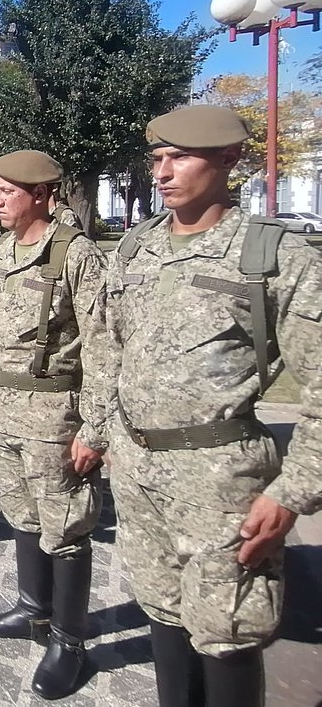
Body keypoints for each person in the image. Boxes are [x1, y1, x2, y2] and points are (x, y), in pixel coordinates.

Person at [103, 105, 322, 707]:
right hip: (140, 471)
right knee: (163, 612)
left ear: (229, 160)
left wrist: (291, 492)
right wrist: (106, 437)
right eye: (157, 159)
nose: (164, 172)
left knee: (226, 631)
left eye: (181, 157)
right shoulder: (137, 246)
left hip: (221, 481)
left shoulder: (273, 254)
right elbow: (112, 349)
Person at [0, 149, 108, 701]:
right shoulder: (2, 249)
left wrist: (95, 430)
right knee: (22, 515)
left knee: (65, 526)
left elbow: (105, 351)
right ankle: (33, 608)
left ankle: (68, 642)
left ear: (39, 194)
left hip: (55, 417)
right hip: (4, 407)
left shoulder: (75, 256)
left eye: (6, 192)